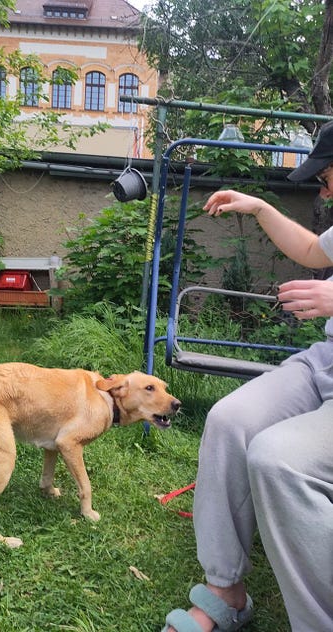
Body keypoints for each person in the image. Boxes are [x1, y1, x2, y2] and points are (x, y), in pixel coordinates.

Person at [162, 120, 333, 632]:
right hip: (325, 363)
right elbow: (312, 251)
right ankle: (226, 590)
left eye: (327, 175)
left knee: (278, 459)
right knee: (230, 419)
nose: (322, 187)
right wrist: (261, 207)